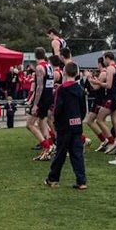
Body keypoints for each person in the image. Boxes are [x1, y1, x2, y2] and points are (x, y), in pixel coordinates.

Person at [44, 61, 87, 189]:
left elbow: (57, 108)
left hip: (64, 126)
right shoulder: (80, 89)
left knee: (60, 153)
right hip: (77, 125)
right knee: (77, 154)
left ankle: (53, 179)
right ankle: (82, 181)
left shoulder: (61, 89)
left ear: (64, 72)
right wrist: (79, 119)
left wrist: (56, 122)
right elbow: (83, 109)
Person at [28, 49, 56, 161]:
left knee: (29, 124)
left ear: (35, 56)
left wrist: (35, 104)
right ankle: (47, 148)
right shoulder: (49, 67)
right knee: (42, 122)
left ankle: (47, 146)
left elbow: (39, 87)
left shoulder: (39, 68)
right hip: (49, 97)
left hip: (42, 99)